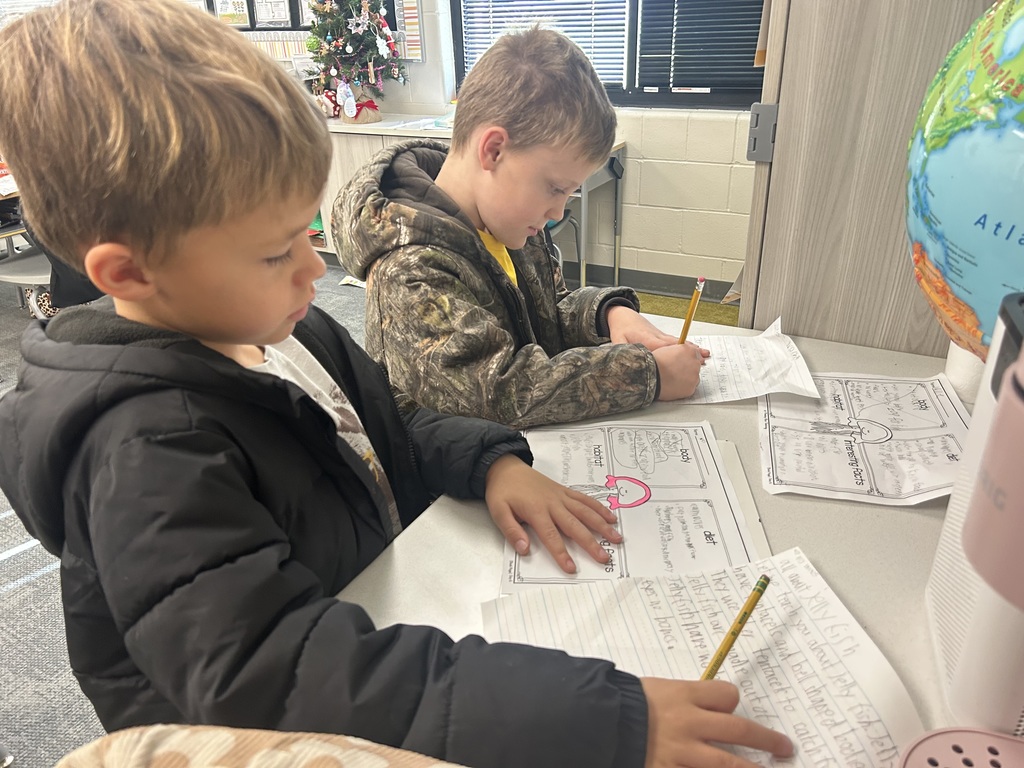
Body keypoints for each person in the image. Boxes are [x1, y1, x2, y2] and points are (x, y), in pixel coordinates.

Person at [0, 3, 792, 767]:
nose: (321, 269)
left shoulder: (282, 325)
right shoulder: (142, 454)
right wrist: (593, 722)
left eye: (305, 234)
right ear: (129, 271)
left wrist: (490, 463)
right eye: (278, 251)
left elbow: (388, 419)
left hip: (379, 601)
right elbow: (286, 679)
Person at [335, 26, 711, 431]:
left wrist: (609, 316)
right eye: (554, 188)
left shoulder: (509, 222)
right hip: (450, 486)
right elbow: (497, 393)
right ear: (494, 150)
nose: (556, 212)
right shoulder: (410, 269)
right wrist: (646, 375)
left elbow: (548, 314)